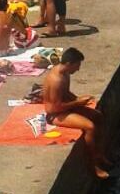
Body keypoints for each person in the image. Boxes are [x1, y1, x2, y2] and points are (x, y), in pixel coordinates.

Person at [42, 48, 109, 179]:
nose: (78, 69)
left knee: (98, 116)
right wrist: (78, 103)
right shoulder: (56, 80)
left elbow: (66, 94)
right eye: (77, 65)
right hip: (54, 114)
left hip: (64, 107)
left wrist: (79, 99)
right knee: (90, 127)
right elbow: (54, 108)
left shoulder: (65, 73)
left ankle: (98, 154)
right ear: (69, 64)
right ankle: (93, 165)